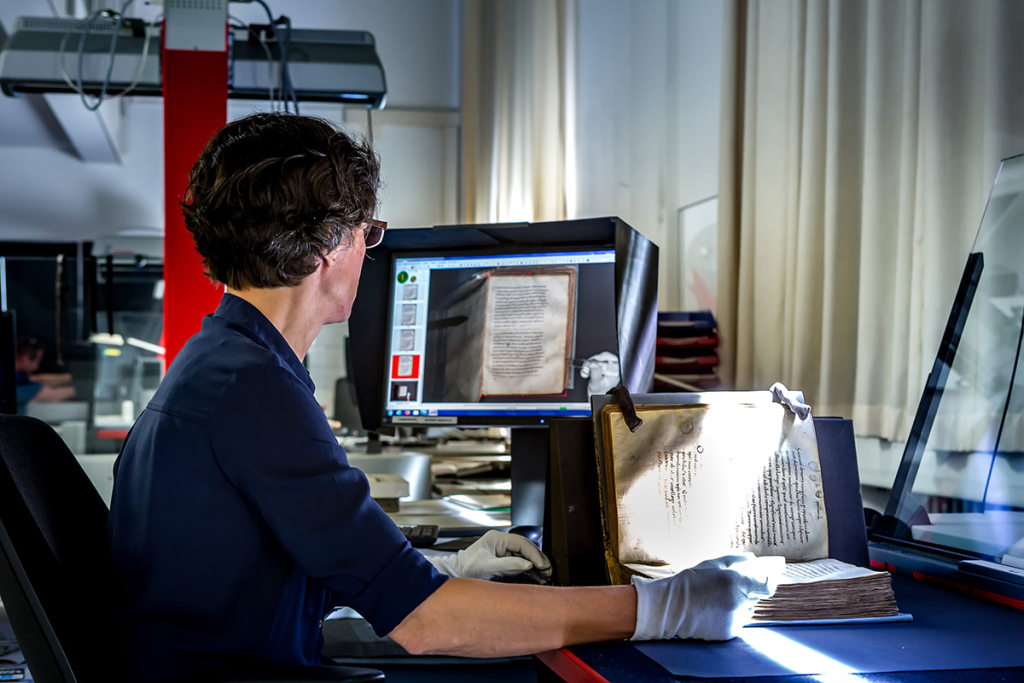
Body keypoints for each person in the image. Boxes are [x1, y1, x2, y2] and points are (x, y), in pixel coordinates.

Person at [107, 113, 780, 682]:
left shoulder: (223, 361)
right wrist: (666, 606)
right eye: (366, 232)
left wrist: (442, 564)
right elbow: (427, 623)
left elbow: (267, 565)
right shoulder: (255, 389)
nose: (367, 252)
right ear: (324, 247)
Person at [14, 337, 75, 414]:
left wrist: (71, 378)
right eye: (37, 361)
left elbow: (37, 379)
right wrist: (83, 388)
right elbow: (53, 395)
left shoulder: (8, 374)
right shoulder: (20, 381)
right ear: (25, 359)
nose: (37, 367)